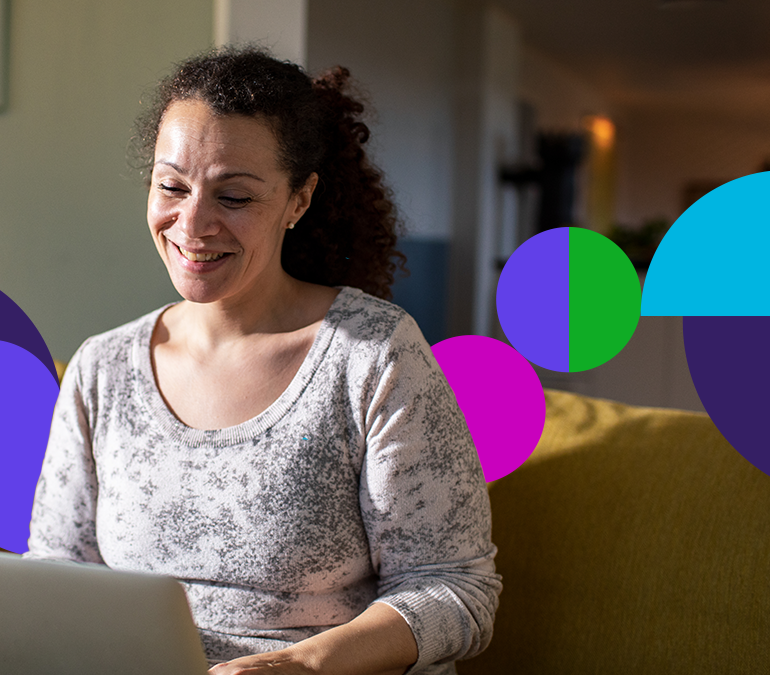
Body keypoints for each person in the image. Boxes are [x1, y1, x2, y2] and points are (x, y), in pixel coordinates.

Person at [25, 47, 501, 675]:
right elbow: (56, 571)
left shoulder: (373, 355)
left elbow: (456, 592)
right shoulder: (101, 368)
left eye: (236, 197)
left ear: (298, 201)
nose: (192, 224)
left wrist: (304, 665)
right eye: (172, 186)